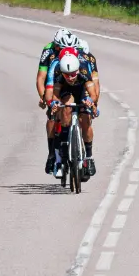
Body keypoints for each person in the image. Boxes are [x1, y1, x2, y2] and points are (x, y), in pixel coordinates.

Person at [45, 47, 99, 179]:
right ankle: (62, 147)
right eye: (67, 75)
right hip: (66, 91)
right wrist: (55, 103)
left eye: (73, 74)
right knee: (66, 107)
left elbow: (94, 94)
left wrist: (90, 102)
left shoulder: (84, 69)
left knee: (85, 118)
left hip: (82, 90)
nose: (70, 77)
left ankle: (89, 157)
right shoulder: (58, 71)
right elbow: (55, 94)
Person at [38, 28, 80, 174]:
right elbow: (41, 78)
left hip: (71, 81)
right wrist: (45, 99)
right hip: (54, 82)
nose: (63, 50)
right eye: (59, 48)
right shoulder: (49, 52)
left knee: (72, 108)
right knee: (52, 116)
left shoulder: (78, 51)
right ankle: (52, 154)